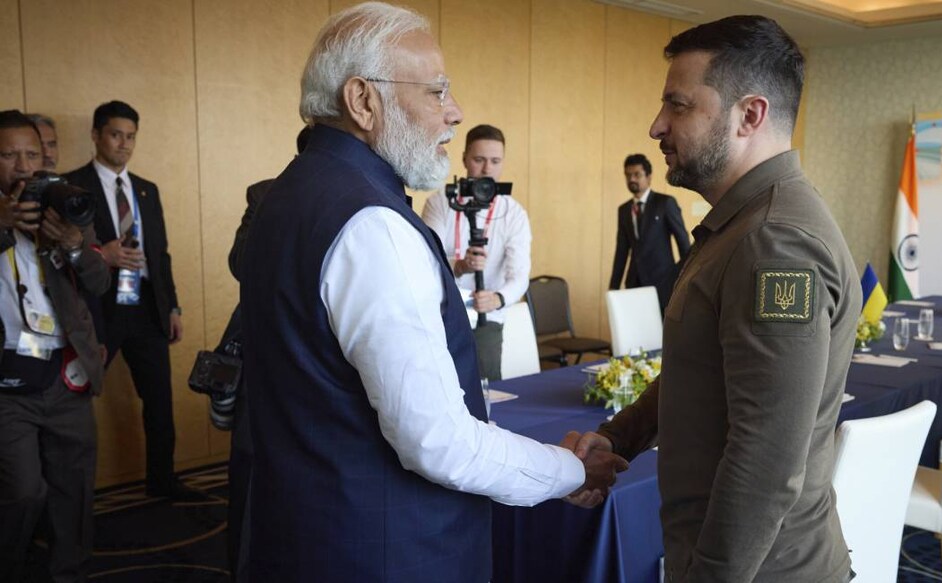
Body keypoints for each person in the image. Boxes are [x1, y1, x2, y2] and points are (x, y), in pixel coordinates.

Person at [239, 4, 627, 582]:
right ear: (363, 100)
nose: (454, 112)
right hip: (386, 554)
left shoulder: (285, 195)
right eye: (437, 90)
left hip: (295, 534)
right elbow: (437, 442)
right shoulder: (374, 226)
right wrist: (570, 471)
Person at [570, 16, 860, 582]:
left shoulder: (774, 244)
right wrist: (617, 435)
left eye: (678, 106)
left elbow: (767, 461)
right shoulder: (741, 226)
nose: (657, 126)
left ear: (749, 115)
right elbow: (701, 373)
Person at [64, 101, 202, 501]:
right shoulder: (71, 187)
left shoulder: (147, 189)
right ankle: (69, 495)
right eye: (115, 134)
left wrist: (172, 307)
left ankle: (162, 483)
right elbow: (59, 255)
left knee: (159, 402)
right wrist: (98, 254)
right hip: (97, 307)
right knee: (73, 401)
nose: (123, 144)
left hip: (146, 308)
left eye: (130, 136)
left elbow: (160, 255)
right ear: (96, 135)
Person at [0, 109, 109, 583]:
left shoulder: (64, 204)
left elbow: (101, 281)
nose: (23, 165)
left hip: (66, 373)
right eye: (8, 155)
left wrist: (73, 245)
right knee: (24, 491)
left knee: (74, 486)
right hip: (8, 383)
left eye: (32, 153)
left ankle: (70, 570)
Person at [220, 126, 310, 582]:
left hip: (329, 375)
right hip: (269, 362)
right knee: (253, 477)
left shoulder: (378, 199)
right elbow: (241, 266)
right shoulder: (265, 195)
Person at [421, 124, 530, 380]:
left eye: (495, 161)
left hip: (487, 317)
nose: (486, 169)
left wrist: (498, 298)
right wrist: (459, 265)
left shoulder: (514, 213)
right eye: (479, 159)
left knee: (487, 391)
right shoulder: (440, 202)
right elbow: (425, 261)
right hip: (443, 313)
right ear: (464, 159)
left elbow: (520, 275)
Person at [609, 153, 690, 313]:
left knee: (660, 334)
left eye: (637, 174)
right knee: (635, 333)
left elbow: (683, 243)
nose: (631, 179)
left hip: (663, 284)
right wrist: (613, 288)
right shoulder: (624, 210)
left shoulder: (665, 203)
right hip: (634, 284)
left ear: (649, 176)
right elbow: (622, 251)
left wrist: (682, 279)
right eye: (628, 175)